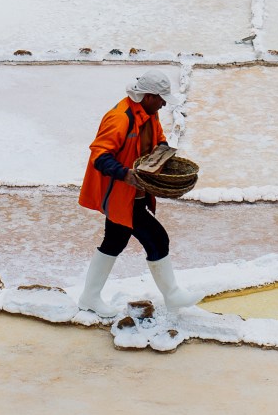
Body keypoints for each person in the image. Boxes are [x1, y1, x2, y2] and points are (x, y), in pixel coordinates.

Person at [77, 70, 193, 316]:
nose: (163, 104)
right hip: (122, 196)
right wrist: (126, 174)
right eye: (161, 98)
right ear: (148, 96)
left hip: (136, 194)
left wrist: (162, 155)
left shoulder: (148, 114)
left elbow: (159, 141)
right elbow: (99, 155)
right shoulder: (120, 118)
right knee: (157, 238)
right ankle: (172, 295)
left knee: (115, 241)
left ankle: (89, 297)